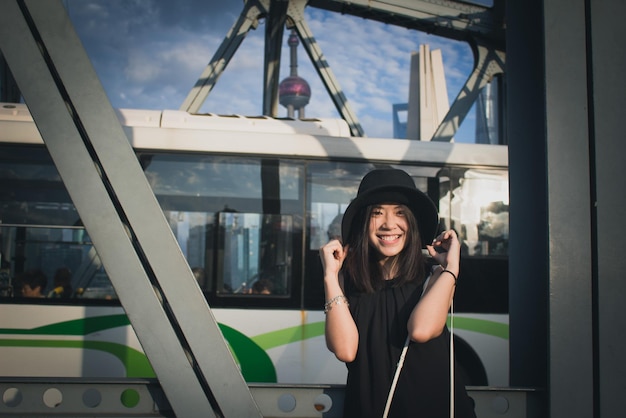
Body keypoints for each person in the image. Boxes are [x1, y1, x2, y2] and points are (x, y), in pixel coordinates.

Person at [319, 168, 476, 418]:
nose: (389, 224)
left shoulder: (435, 276)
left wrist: (452, 267)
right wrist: (330, 275)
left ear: (411, 222)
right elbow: (345, 350)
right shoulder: (346, 281)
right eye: (377, 213)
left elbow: (421, 330)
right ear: (363, 221)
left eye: (400, 213)